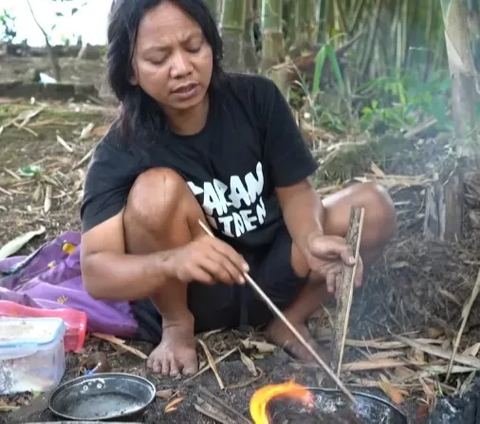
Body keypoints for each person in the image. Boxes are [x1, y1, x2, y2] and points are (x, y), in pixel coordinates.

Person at [80, 0, 396, 378]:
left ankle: (289, 320)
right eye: (158, 58)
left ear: (212, 43)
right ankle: (177, 329)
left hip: (276, 276)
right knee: (155, 191)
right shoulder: (121, 147)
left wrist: (311, 238)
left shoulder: (257, 99)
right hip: (196, 293)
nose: (182, 68)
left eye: (194, 47)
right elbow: (96, 271)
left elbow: (296, 190)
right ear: (130, 71)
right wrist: (174, 260)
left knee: (373, 206)